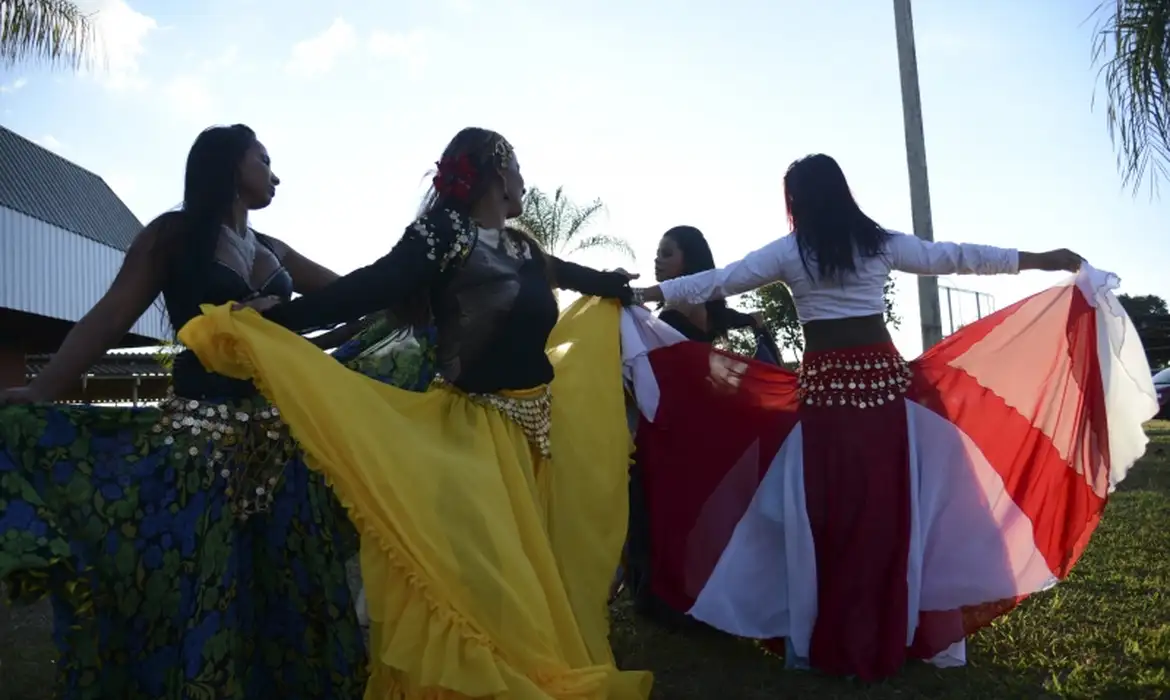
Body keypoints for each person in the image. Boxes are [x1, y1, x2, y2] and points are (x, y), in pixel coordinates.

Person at [620, 153, 1157, 681]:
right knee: (883, 510)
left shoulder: (797, 251)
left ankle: (845, 628)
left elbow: (719, 280)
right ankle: (880, 626)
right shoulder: (863, 245)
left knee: (833, 513)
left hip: (835, 398)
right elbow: (954, 255)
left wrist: (650, 292)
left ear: (799, 202)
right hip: (876, 392)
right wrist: (1036, 258)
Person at [177, 127, 654, 699]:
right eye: (520, 168)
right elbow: (373, 285)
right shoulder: (445, 232)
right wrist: (279, 320)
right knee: (484, 578)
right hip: (474, 434)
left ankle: (523, 665)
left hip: (534, 436)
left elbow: (564, 273)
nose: (525, 181)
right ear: (498, 170)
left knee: (525, 573)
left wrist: (612, 285)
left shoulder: (522, 246)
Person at [0, 124, 368, 699]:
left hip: (280, 446)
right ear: (228, 165)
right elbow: (111, 315)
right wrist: (44, 387)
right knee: (207, 580)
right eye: (264, 160)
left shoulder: (276, 249)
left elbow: (347, 296)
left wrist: (391, 304)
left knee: (285, 585)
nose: (275, 175)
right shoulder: (173, 236)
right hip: (202, 445)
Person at [618, 225, 779, 617]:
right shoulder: (712, 309)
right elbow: (726, 326)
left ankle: (659, 595)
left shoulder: (670, 313)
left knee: (656, 503)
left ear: (688, 259)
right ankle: (696, 591)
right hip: (700, 422)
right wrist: (753, 323)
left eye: (667, 252)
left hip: (674, 423)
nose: (658, 259)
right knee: (695, 508)